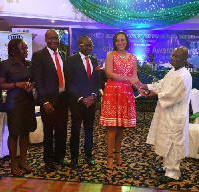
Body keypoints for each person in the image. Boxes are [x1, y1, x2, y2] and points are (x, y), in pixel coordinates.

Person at [139, 46, 192, 182]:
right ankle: (167, 166)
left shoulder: (185, 75)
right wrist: (148, 86)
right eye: (173, 55)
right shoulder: (173, 71)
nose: (173, 58)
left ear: (185, 59)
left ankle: (173, 173)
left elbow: (173, 94)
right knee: (166, 141)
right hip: (167, 113)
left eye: (177, 56)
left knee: (173, 143)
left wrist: (155, 94)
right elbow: (162, 84)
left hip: (176, 115)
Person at [99, 31, 141, 174]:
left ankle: (118, 154)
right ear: (114, 42)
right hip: (112, 93)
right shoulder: (111, 55)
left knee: (121, 127)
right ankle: (109, 157)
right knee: (112, 127)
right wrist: (128, 79)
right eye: (117, 40)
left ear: (126, 41)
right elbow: (109, 74)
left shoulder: (133, 58)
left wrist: (141, 88)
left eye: (122, 40)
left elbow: (135, 77)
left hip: (126, 94)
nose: (120, 43)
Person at [32, 29, 68, 171]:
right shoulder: (39, 56)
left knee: (62, 131)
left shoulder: (63, 55)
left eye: (56, 38)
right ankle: (48, 160)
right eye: (51, 38)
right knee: (48, 131)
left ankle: (59, 157)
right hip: (48, 101)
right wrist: (45, 101)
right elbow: (38, 81)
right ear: (46, 39)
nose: (54, 40)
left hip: (63, 99)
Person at [0, 38, 36, 176]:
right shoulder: (5, 65)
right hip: (14, 102)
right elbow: (0, 84)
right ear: (15, 50)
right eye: (24, 48)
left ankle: (23, 161)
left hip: (28, 100)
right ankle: (13, 163)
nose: (26, 50)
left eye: (26, 48)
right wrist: (16, 85)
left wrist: (32, 85)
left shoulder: (28, 64)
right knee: (14, 133)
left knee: (26, 132)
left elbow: (32, 80)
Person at [65, 36, 100, 169]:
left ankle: (88, 155)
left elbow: (97, 82)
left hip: (91, 102)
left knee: (89, 129)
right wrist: (81, 98)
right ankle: (74, 157)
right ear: (79, 46)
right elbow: (70, 82)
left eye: (90, 46)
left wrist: (93, 95)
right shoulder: (70, 60)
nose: (88, 48)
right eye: (86, 45)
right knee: (75, 130)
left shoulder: (94, 60)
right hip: (77, 101)